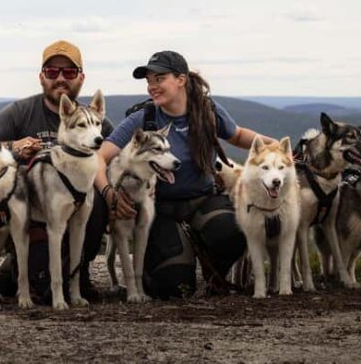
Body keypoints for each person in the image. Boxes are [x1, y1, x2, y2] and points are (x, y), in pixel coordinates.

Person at [95, 50, 273, 298]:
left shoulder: (207, 110)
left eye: (159, 79)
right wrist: (109, 194)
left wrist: (276, 148)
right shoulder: (143, 119)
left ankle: (215, 272)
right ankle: (168, 264)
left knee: (236, 229)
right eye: (149, 81)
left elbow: (238, 135)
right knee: (174, 288)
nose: (152, 86)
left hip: (203, 200)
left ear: (181, 79)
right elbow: (99, 158)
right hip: (161, 209)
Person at [0, 40, 114, 303]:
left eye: (68, 72)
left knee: (98, 197)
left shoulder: (96, 123)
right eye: (52, 72)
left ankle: (79, 272)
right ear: (41, 77)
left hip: (76, 207)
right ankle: (18, 268)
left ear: (81, 77)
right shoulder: (19, 113)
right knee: (43, 293)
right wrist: (12, 146)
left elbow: (118, 158)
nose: (60, 78)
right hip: (31, 214)